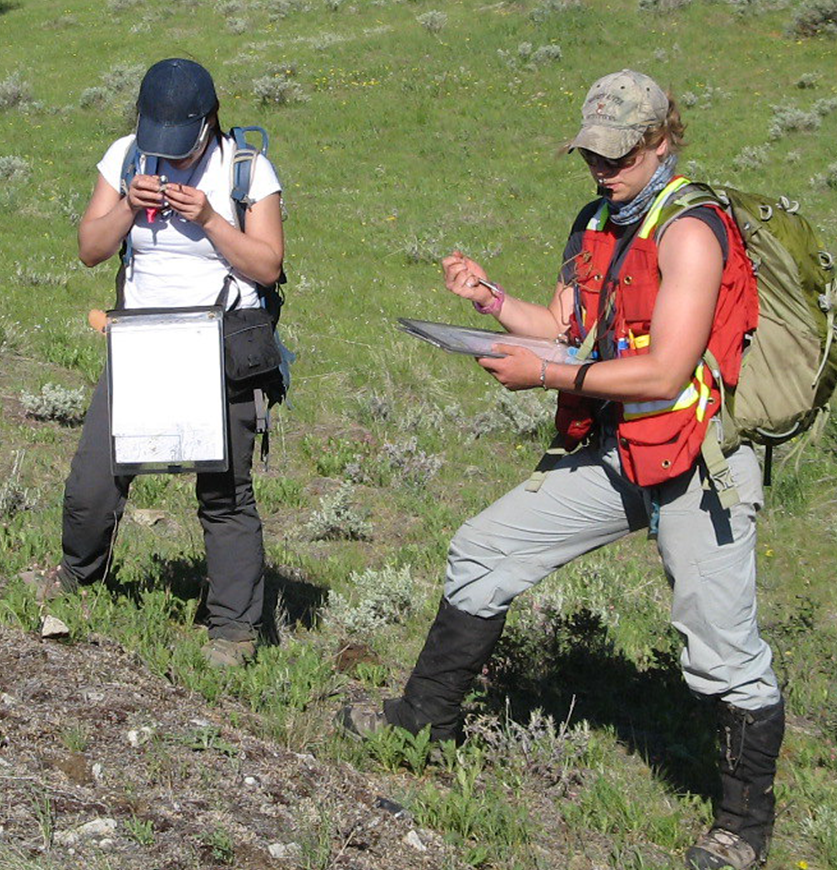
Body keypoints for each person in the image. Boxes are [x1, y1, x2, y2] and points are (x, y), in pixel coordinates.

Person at [338, 70, 784, 870]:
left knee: (719, 648)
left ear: (661, 141)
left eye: (618, 156)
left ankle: (743, 828)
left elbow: (665, 371)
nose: (601, 169)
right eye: (591, 155)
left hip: (696, 461)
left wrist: (542, 377)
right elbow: (567, 328)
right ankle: (423, 723)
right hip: (623, 450)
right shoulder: (598, 221)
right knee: (483, 550)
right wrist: (490, 302)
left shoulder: (690, 230)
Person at [41, 57, 285, 668]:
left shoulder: (246, 170)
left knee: (225, 492)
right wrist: (127, 205)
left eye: (184, 144)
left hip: (223, 341)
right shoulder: (125, 155)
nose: (171, 157)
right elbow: (90, 250)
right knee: (96, 476)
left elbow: (267, 266)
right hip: (142, 343)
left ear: (210, 122)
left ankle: (233, 631)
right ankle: (75, 577)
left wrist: (207, 218)